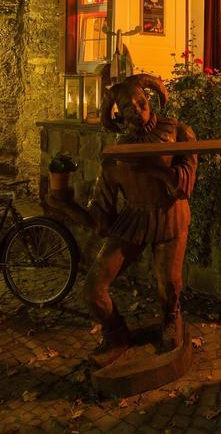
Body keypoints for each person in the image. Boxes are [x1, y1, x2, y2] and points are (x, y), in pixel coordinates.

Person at [84, 74, 198, 367]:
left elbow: (184, 185)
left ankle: (171, 318)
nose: (136, 107)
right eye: (127, 105)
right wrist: (78, 208)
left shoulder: (179, 133)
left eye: (139, 100)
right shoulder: (116, 153)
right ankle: (115, 333)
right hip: (134, 217)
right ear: (117, 112)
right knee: (94, 285)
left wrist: (153, 168)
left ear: (148, 96)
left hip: (169, 215)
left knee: (168, 283)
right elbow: (103, 201)